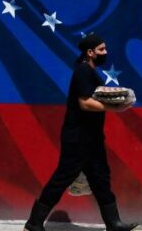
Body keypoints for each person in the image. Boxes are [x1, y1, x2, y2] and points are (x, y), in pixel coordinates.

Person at [24, 33, 136, 231]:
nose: (106, 52)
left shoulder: (91, 72)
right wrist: (115, 108)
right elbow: (84, 104)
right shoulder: (83, 71)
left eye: (105, 48)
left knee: (101, 178)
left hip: (92, 138)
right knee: (62, 179)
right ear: (90, 52)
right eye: (101, 49)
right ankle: (33, 223)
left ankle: (114, 223)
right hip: (78, 138)